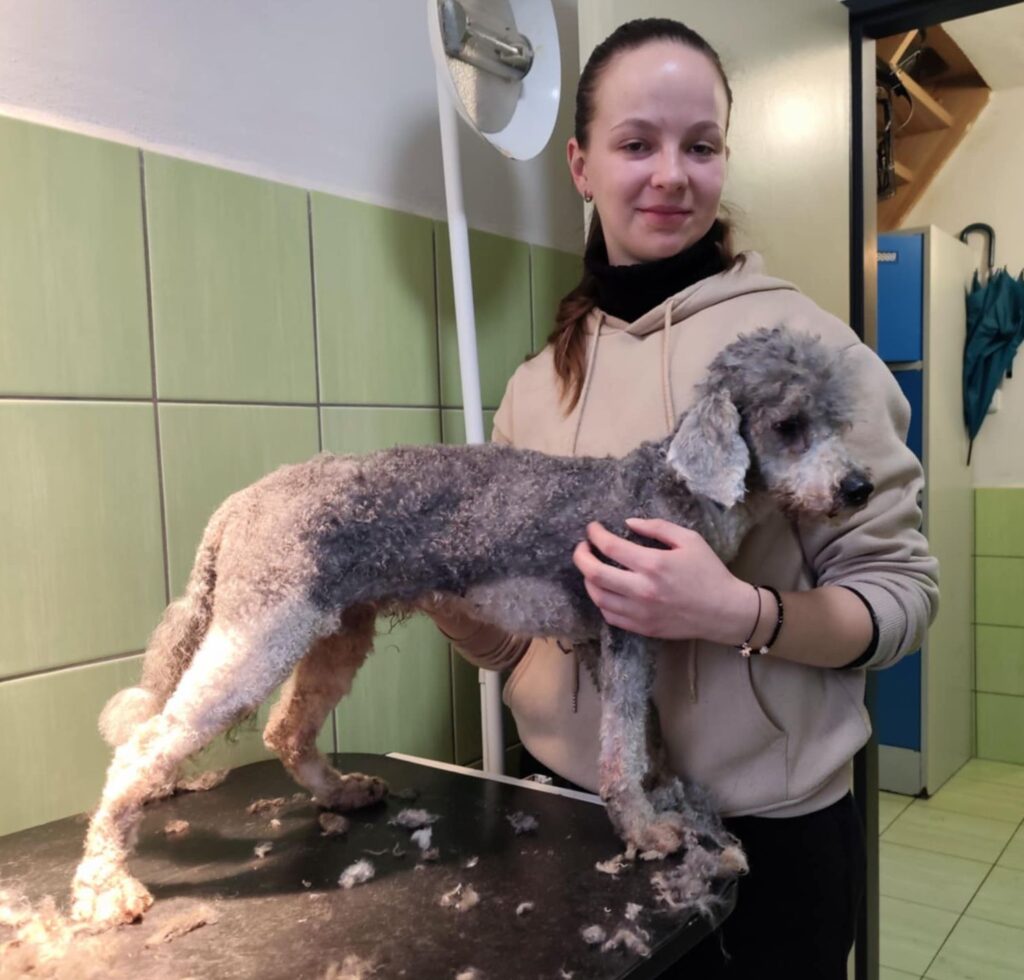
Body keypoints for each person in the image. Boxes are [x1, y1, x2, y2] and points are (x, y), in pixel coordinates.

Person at [427, 17, 938, 978]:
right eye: (637, 144)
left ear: (724, 160)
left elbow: (902, 599)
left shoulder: (808, 358)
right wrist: (445, 595)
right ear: (581, 166)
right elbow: (517, 649)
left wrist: (736, 611)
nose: (671, 175)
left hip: (768, 844)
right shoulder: (538, 384)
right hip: (567, 811)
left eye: (700, 146)